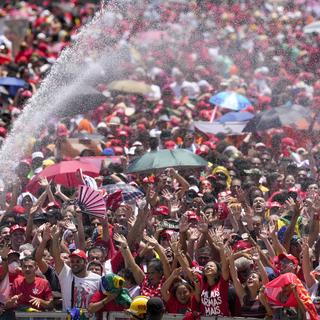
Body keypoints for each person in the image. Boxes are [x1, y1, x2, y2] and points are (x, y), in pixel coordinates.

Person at [51, 225, 100, 311]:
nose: (74, 264)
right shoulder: (65, 274)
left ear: (85, 262)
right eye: (72, 261)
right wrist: (55, 237)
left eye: (78, 261)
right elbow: (56, 256)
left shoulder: (97, 279)